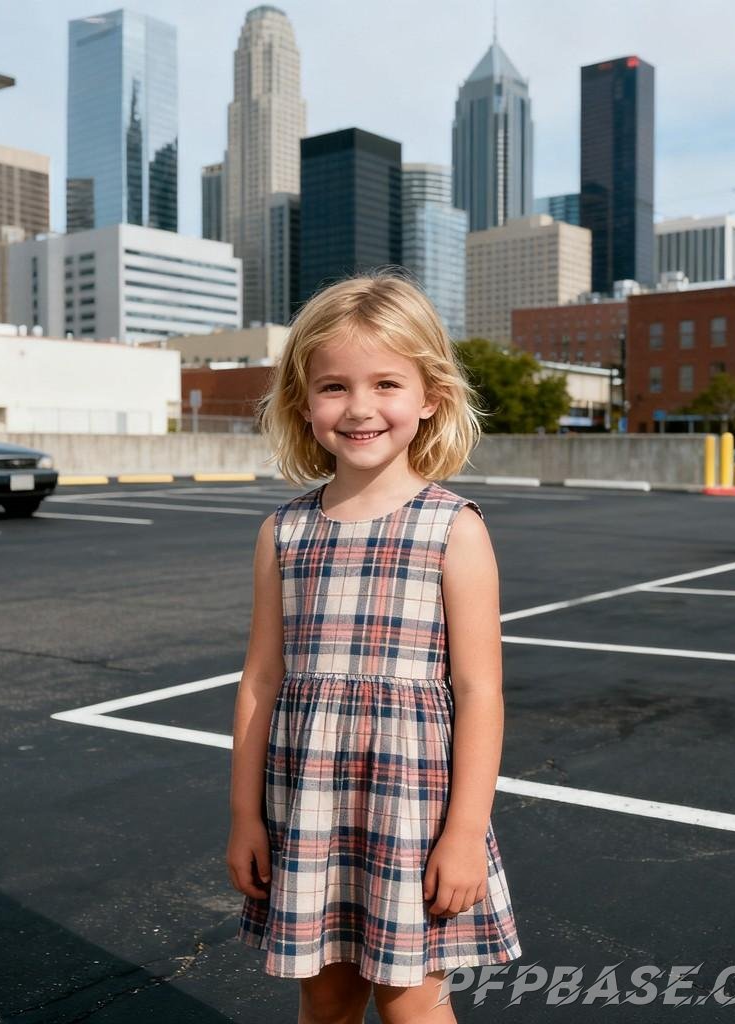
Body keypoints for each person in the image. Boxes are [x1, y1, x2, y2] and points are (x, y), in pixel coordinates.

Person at [226, 271, 522, 1023]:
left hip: (413, 815)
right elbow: (262, 681)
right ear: (302, 402)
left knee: (411, 1003)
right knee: (324, 1000)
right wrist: (244, 817)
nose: (359, 407)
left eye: (387, 382)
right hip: (307, 807)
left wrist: (462, 833)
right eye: (333, 387)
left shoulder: (454, 529)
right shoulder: (283, 533)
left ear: (431, 397)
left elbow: (480, 691)